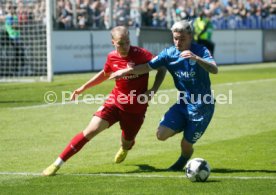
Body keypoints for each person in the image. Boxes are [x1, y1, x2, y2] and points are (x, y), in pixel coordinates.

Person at [42, 26, 166, 176]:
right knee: (90, 130)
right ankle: (57, 164)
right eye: (120, 43)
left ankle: (125, 147)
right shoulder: (111, 57)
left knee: (127, 141)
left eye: (127, 42)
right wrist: (83, 88)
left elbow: (162, 68)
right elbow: (105, 74)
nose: (125, 46)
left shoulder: (141, 54)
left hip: (136, 108)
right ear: (113, 42)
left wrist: (153, 90)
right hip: (115, 102)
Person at [110, 20, 218, 171]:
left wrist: (197, 59)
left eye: (182, 39)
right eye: (175, 38)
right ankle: (185, 125)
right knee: (161, 135)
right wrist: (127, 71)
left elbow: (214, 69)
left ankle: (181, 162)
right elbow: (147, 67)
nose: (178, 42)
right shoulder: (169, 54)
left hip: (203, 106)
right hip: (184, 104)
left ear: (190, 37)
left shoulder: (200, 50)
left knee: (185, 144)